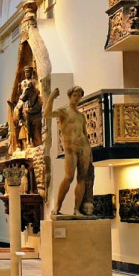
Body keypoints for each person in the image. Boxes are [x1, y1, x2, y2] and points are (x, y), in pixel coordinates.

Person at [43, 86, 94, 216]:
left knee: (81, 178)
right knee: (69, 177)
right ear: (70, 96)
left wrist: (89, 151)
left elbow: (85, 133)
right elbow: (47, 114)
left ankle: (76, 209)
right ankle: (57, 207)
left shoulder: (81, 116)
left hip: (84, 148)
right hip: (70, 149)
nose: (77, 98)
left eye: (79, 96)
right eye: (75, 95)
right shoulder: (64, 111)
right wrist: (52, 97)